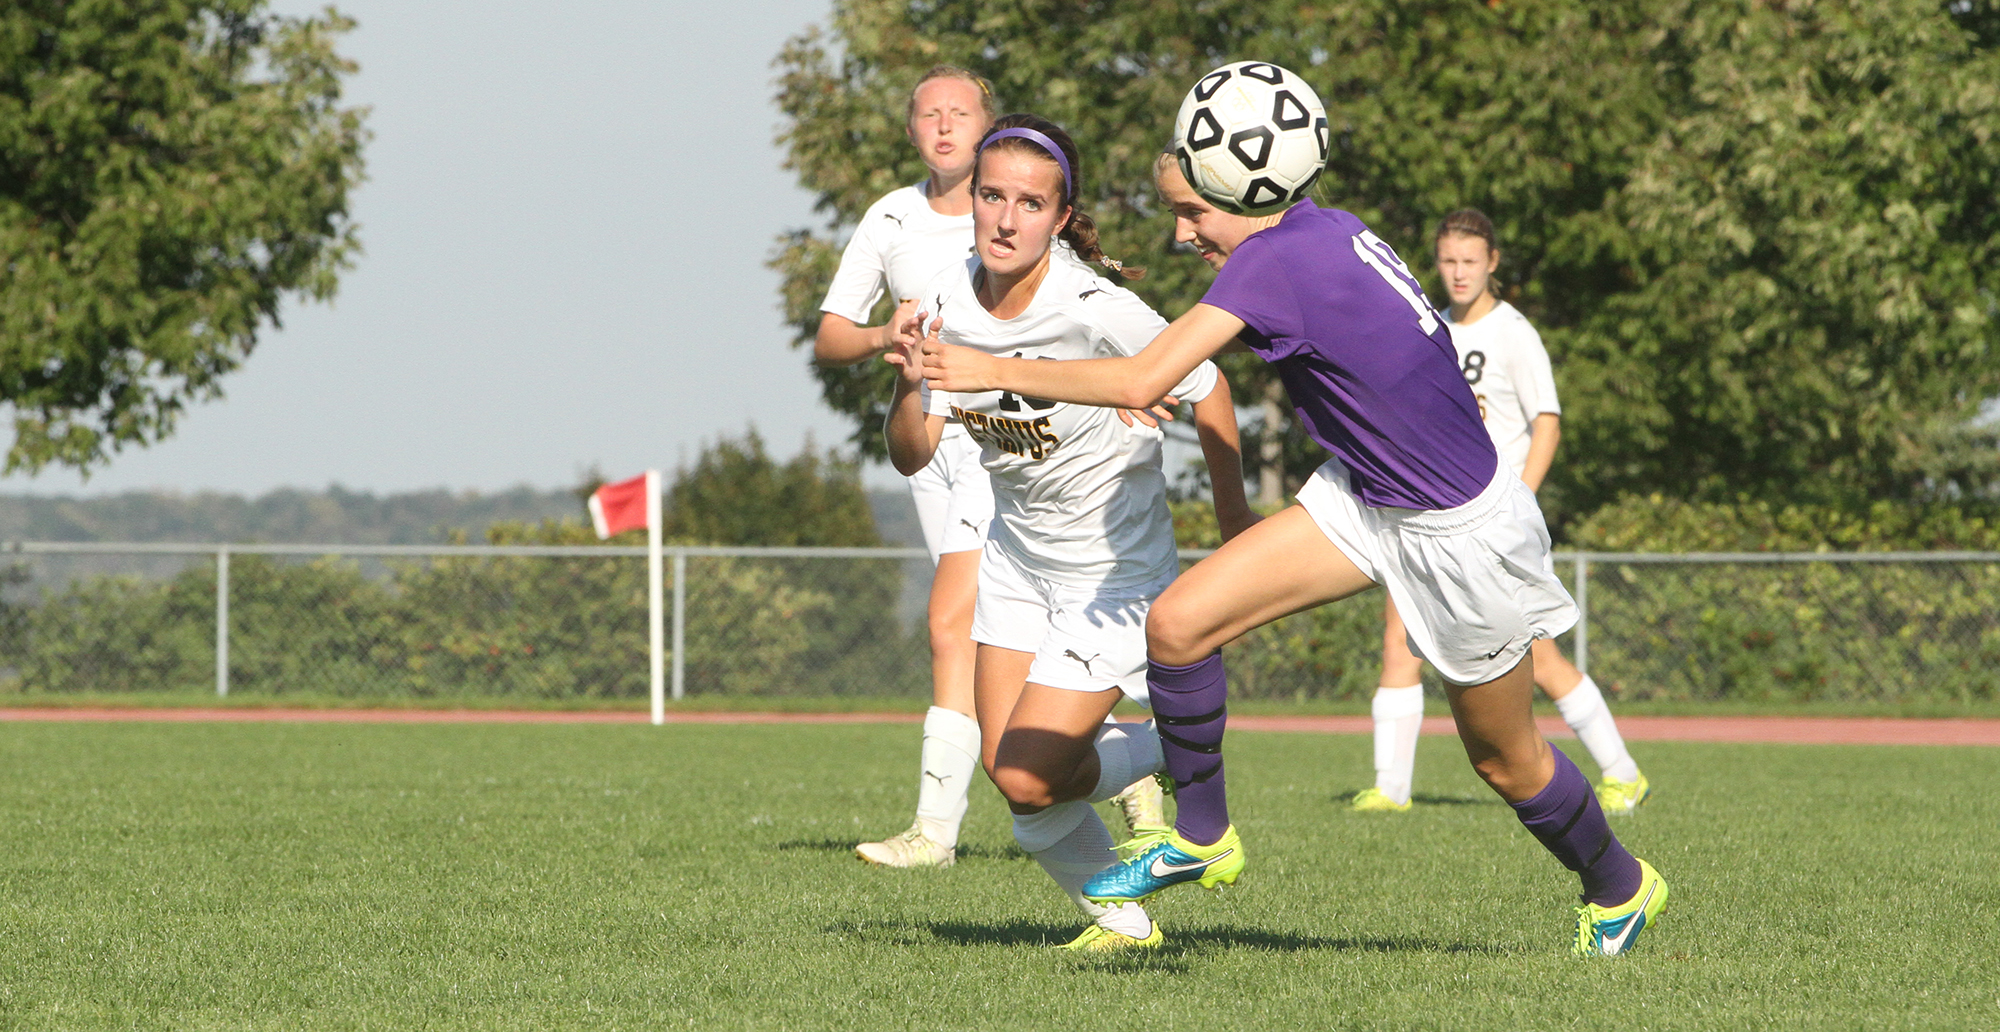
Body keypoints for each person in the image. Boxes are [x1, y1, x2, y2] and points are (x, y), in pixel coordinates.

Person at [916, 148, 1670, 957]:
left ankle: (1622, 887)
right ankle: (1205, 835)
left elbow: (1144, 379)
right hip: (1366, 491)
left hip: (1458, 530)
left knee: (1506, 760)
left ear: (1245, 192)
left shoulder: (1273, 260)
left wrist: (988, 367)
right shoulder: (1322, 230)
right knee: (1177, 624)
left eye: (1193, 212)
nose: (1181, 234)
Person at [885, 115, 1254, 951]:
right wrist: (909, 386)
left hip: (1111, 580)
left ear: (1059, 217)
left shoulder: (1094, 305)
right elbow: (913, 457)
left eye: (1030, 202)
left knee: (1027, 769)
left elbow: (1210, 383)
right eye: (991, 196)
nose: (1007, 218)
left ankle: (1171, 752)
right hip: (1018, 562)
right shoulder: (941, 301)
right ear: (971, 202)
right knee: (1011, 783)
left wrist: (1236, 527)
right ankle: (1125, 927)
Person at [816, 67, 1162, 868]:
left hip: (1005, 458)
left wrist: (1128, 390)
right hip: (946, 439)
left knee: (950, 628)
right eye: (927, 112)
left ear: (987, 130)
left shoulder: (1036, 235)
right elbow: (836, 338)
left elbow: (1150, 357)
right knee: (1006, 699)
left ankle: (936, 830)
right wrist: (894, 348)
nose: (942, 125)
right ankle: (1125, 782)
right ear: (910, 130)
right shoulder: (895, 221)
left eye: (959, 112)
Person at [1353, 209, 1650, 816]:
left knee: (1537, 655)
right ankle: (1391, 790)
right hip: (1429, 511)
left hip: (1491, 519)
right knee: (1397, 635)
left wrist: (1523, 498)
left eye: (1469, 261)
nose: (1458, 273)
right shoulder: (1432, 324)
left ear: (1492, 263)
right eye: (1448, 261)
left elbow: (1547, 422)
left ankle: (1623, 772)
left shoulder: (1514, 333)